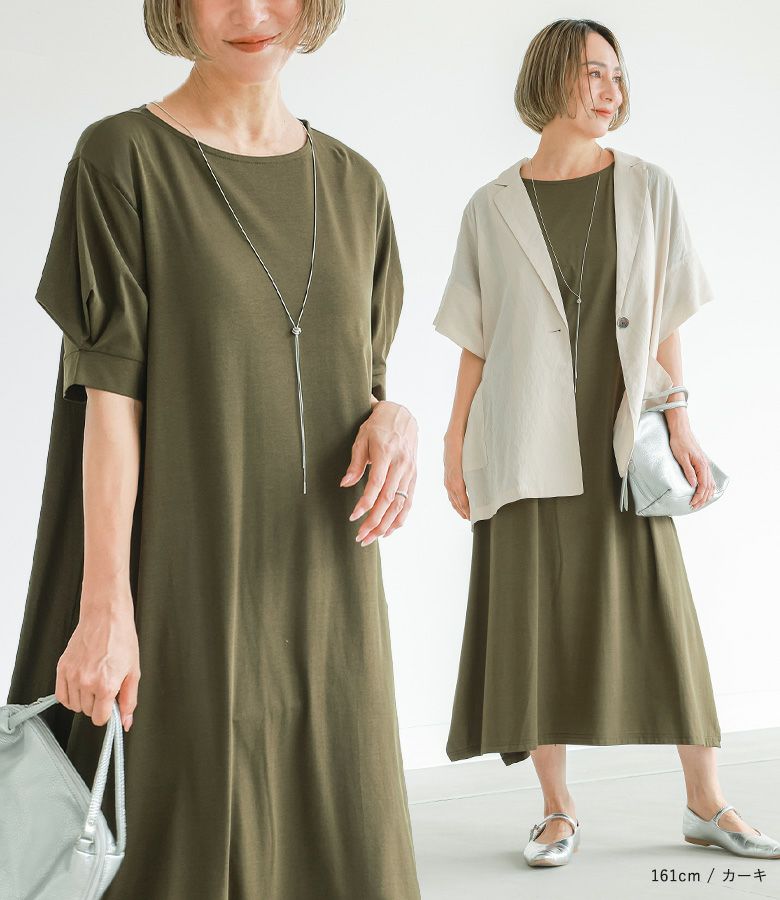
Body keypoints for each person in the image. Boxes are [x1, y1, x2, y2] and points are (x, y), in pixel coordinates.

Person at [6, 1, 422, 897]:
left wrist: (397, 418)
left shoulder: (357, 185)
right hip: (181, 585)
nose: (252, 13)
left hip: (327, 597)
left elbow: (363, 377)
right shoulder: (122, 158)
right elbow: (107, 401)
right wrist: (105, 609)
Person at [433, 17, 779, 868]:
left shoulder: (648, 187)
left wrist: (680, 415)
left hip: (619, 437)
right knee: (533, 620)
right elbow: (477, 337)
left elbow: (665, 315)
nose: (612, 90)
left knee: (663, 615)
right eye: (595, 73)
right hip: (522, 433)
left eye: (618, 76)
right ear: (552, 76)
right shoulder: (490, 206)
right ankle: (556, 811)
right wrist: (453, 437)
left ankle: (707, 802)